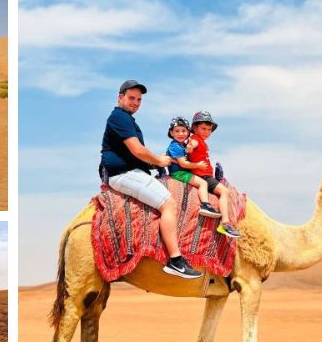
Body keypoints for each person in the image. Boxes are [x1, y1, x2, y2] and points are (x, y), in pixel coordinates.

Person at [100, 80, 202, 278]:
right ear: (120, 97)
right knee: (169, 204)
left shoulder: (127, 119)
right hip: (122, 174)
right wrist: (160, 160)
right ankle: (175, 260)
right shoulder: (119, 117)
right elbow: (137, 150)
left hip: (130, 171)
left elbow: (135, 154)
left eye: (139, 100)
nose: (135, 103)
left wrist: (154, 163)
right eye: (131, 98)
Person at [187, 111, 241, 238]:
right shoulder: (195, 139)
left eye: (209, 129)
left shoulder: (202, 142)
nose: (206, 132)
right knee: (225, 191)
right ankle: (225, 223)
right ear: (194, 128)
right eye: (203, 128)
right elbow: (192, 145)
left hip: (205, 175)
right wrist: (189, 147)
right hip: (203, 176)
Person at [166, 116, 221, 218]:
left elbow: (189, 152)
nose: (181, 133)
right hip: (180, 173)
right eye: (177, 131)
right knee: (203, 183)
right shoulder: (175, 146)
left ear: (188, 132)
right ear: (171, 133)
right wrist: (198, 165)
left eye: (183, 131)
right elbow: (183, 163)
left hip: (185, 171)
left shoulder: (181, 145)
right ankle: (205, 205)